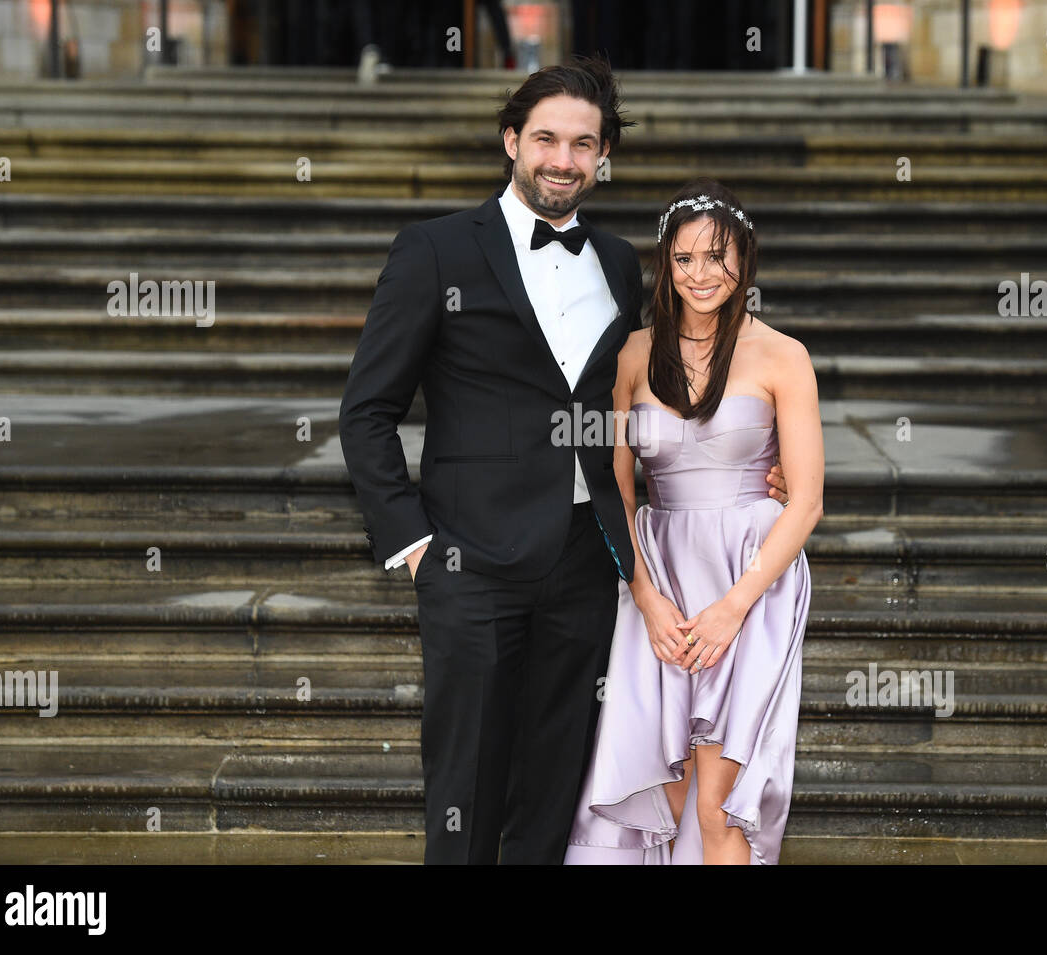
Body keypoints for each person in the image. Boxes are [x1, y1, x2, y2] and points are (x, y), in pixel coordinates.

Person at [339, 57, 790, 864]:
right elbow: (367, 411)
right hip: (469, 561)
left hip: (588, 565)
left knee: (555, 789)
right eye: (546, 137)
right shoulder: (434, 250)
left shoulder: (619, 263)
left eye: (584, 144)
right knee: (466, 787)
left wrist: (763, 462)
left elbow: (653, 396)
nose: (563, 158)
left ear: (602, 156)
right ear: (512, 140)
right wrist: (413, 547)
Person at [564, 178, 824, 865]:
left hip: (751, 578)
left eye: (717, 256)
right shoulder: (630, 357)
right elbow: (618, 493)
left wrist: (735, 606)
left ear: (744, 261)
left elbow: (807, 501)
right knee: (669, 787)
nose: (701, 274)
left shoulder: (783, 356)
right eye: (684, 259)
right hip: (659, 574)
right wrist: (645, 596)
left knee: (718, 803)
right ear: (665, 264)